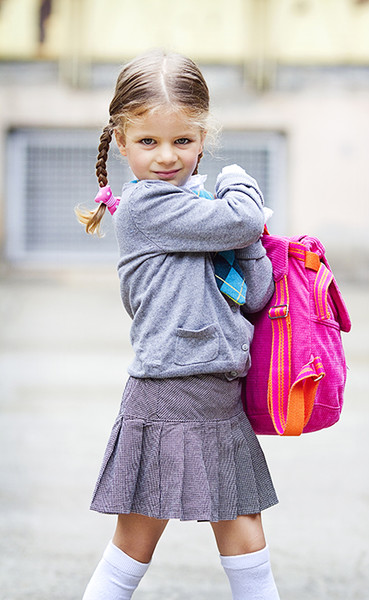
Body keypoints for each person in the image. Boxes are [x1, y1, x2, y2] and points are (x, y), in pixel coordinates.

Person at [76, 49, 280, 600]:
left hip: (218, 395)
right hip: (165, 396)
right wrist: (243, 192)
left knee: (246, 536)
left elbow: (258, 293)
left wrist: (245, 238)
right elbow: (243, 217)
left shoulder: (200, 208)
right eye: (148, 142)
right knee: (133, 545)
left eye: (182, 142)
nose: (166, 157)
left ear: (202, 139)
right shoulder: (146, 207)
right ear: (121, 141)